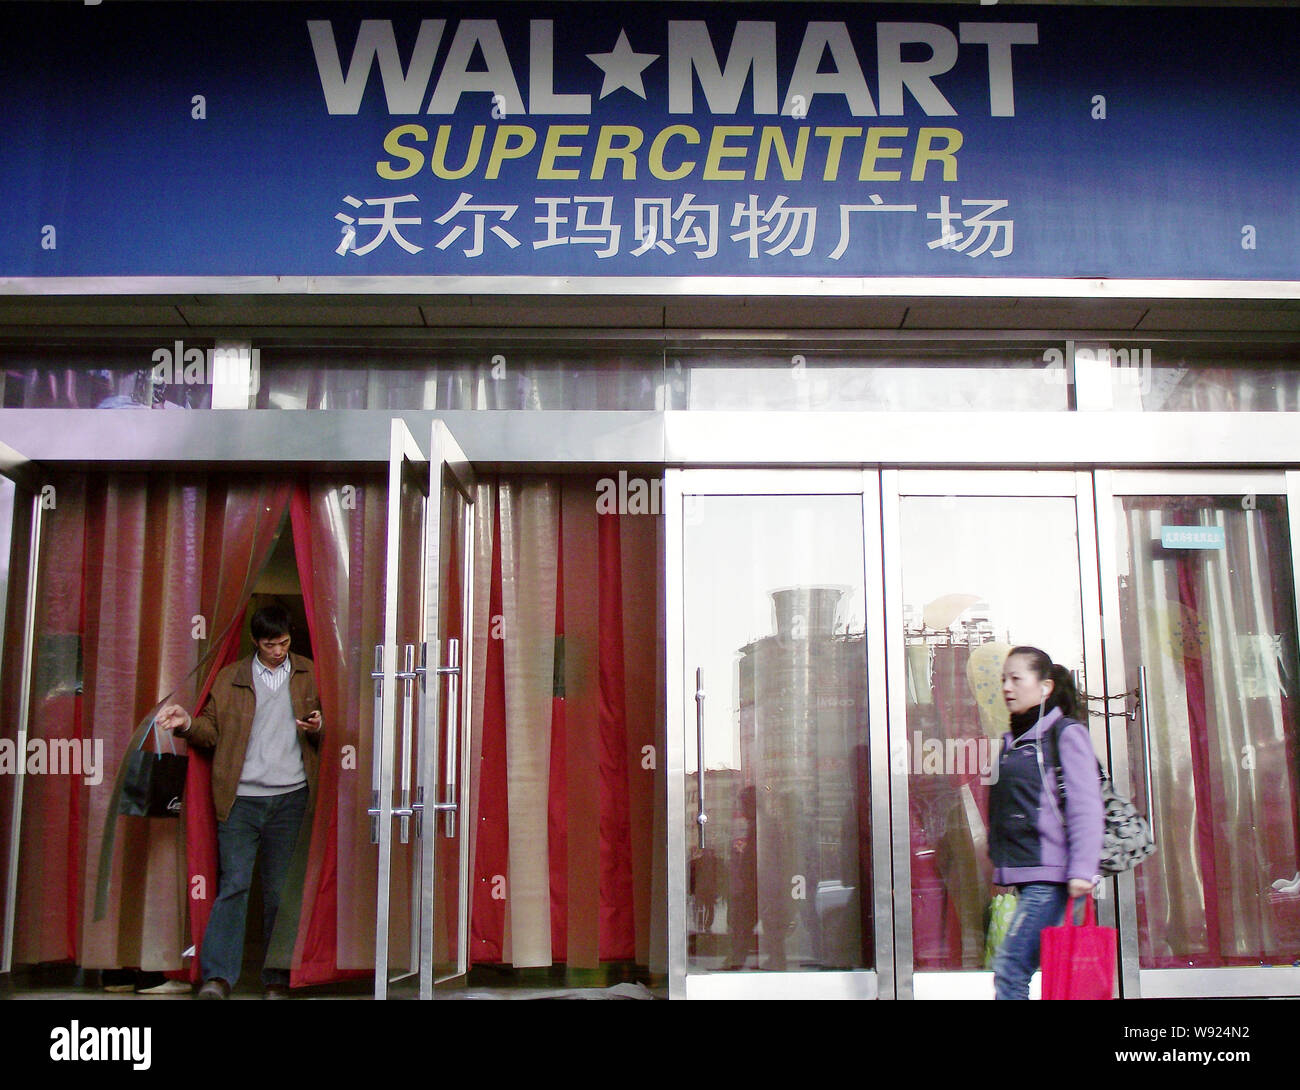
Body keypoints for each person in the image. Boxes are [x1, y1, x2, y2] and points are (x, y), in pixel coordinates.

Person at [156, 603, 323, 999]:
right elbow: (210, 732)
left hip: (291, 796)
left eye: (284, 643)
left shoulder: (310, 673)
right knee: (234, 885)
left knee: (281, 891)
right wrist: (186, 724)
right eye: (270, 644)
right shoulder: (231, 677)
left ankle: (278, 980)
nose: (278, 651)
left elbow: (329, 723)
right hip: (241, 799)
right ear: (255, 641)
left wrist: (320, 725)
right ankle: (218, 978)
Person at [988, 646, 1103, 1000]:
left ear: (1045, 687)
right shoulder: (1016, 741)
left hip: (1052, 878)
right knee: (1021, 969)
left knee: (1010, 969)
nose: (1007, 687)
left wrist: (1082, 870)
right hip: (1029, 875)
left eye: (1016, 679)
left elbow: (1086, 806)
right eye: (1004, 679)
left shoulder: (1064, 734)